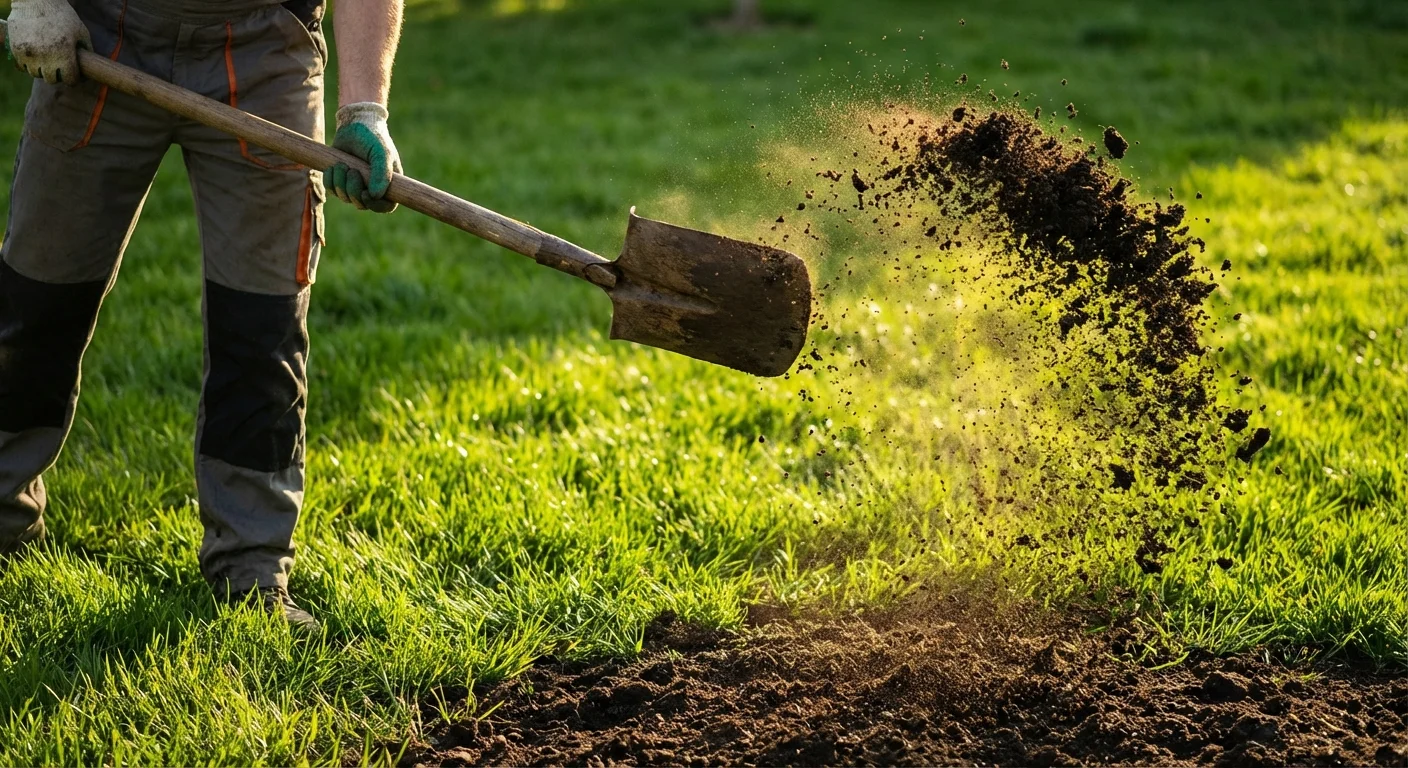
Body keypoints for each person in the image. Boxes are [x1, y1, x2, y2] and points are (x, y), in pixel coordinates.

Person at [0, 0, 404, 630]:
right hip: (100, 32)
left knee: (262, 324)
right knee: (37, 301)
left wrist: (365, 110)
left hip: (263, 50)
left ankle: (252, 571)